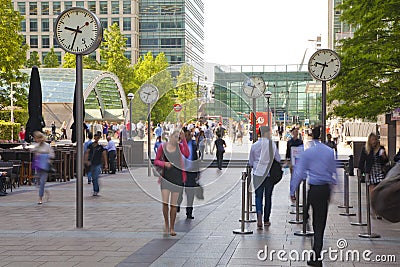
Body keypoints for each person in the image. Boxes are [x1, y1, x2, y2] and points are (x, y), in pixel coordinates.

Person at [290, 126, 337, 267]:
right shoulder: (329, 151)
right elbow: (334, 171)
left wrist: (292, 190)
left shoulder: (308, 152)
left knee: (308, 216)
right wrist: (335, 187)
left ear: (311, 135)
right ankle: (317, 252)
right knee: (320, 222)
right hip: (324, 189)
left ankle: (315, 251)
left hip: (314, 189)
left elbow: (299, 173)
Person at [154, 129, 189, 236]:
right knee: (165, 203)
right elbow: (156, 160)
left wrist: (184, 140)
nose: (176, 139)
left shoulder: (180, 146)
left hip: (177, 177)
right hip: (166, 177)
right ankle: (166, 223)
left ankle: (172, 227)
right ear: (170, 136)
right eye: (175, 137)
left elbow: (187, 154)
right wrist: (164, 163)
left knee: (173, 205)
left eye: (178, 137)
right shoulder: (163, 146)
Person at [248, 126, 280, 229]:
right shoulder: (272, 145)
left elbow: (251, 161)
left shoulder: (254, 145)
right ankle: (266, 219)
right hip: (269, 174)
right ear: (266, 133)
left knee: (258, 196)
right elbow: (278, 158)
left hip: (257, 173)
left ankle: (259, 217)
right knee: (268, 197)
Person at [358, 132, 388, 219]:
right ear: (369, 141)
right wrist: (360, 172)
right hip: (370, 173)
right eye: (372, 140)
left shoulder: (381, 149)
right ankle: (374, 209)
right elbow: (361, 161)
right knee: (372, 193)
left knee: (380, 193)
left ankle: (379, 211)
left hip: (379, 172)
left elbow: (385, 161)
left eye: (375, 140)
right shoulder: (366, 149)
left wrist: (384, 157)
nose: (374, 142)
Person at [177, 129, 200, 219]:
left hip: (190, 172)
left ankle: (189, 212)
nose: (187, 137)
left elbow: (196, 158)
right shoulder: (178, 146)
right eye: (185, 135)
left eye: (188, 135)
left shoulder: (193, 145)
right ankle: (177, 204)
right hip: (180, 171)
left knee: (190, 193)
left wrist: (197, 171)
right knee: (179, 191)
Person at [31, 131, 55, 205]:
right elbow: (32, 150)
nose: (36, 140)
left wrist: (47, 158)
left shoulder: (47, 145)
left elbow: (52, 154)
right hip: (38, 165)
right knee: (37, 182)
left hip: (45, 166)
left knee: (42, 182)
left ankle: (40, 197)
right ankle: (44, 190)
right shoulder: (36, 145)